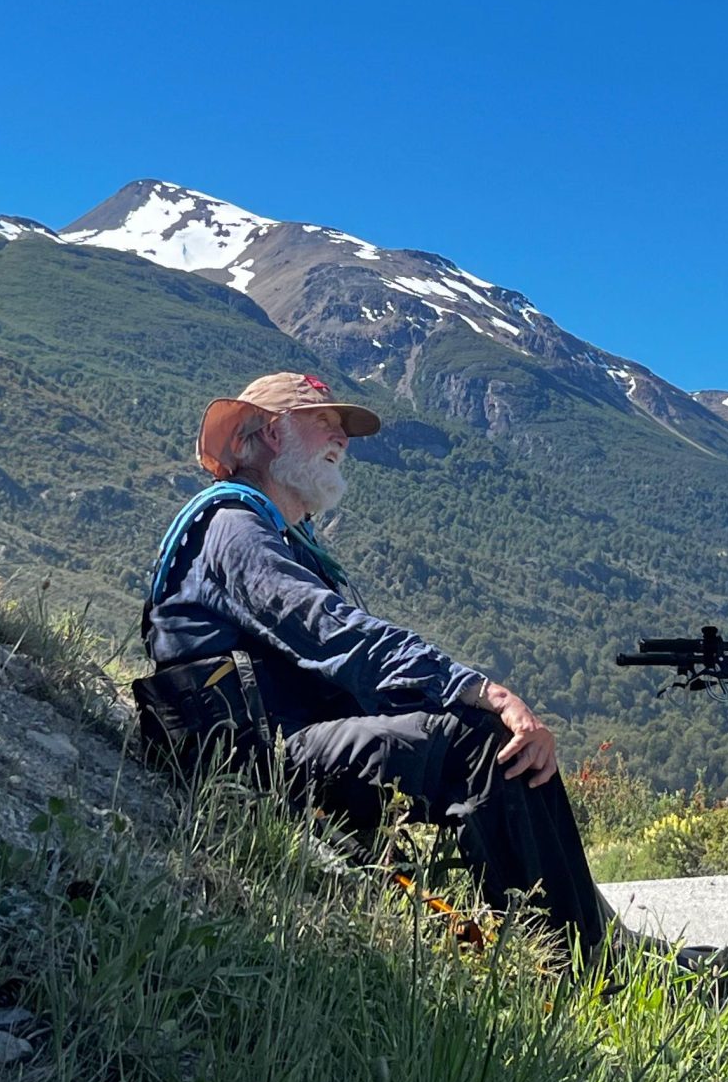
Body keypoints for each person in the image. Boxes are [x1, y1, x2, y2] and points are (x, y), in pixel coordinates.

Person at [137, 372, 611, 966]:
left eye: (343, 429)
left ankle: (594, 937)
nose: (342, 439)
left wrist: (448, 692)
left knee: (477, 733)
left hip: (286, 744)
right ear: (271, 434)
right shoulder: (232, 526)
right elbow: (327, 629)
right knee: (482, 741)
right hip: (253, 762)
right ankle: (578, 965)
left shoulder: (281, 534)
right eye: (323, 423)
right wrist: (477, 689)